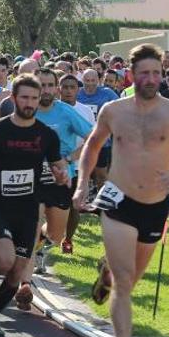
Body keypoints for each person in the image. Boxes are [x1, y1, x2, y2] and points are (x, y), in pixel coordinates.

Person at [72, 44, 169, 337]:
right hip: (118, 200)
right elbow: (92, 145)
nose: (151, 79)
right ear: (132, 75)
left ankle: (105, 273)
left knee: (129, 281)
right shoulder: (113, 110)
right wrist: (81, 184)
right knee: (125, 279)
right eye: (144, 73)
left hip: (155, 207)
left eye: (156, 73)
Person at [0, 74, 67, 337]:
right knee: (4, 260)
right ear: (13, 99)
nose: (30, 102)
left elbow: (58, 163)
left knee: (17, 271)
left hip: (28, 210)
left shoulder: (46, 135)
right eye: (24, 97)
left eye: (34, 98)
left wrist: (61, 173)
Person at [14, 68, 92, 308]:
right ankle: (25, 286)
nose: (46, 90)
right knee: (31, 226)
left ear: (56, 88)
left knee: (56, 235)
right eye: (42, 85)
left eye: (50, 85)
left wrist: (71, 158)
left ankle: (39, 244)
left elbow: (93, 135)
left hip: (60, 179)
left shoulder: (66, 112)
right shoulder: (27, 112)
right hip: (31, 180)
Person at [56, 74, 95, 254]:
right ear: (59, 89)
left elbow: (93, 138)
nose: (69, 91)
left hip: (78, 164)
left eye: (72, 87)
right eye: (65, 87)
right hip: (54, 165)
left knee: (75, 206)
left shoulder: (85, 110)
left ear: (78, 90)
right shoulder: (52, 109)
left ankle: (68, 239)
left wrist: (74, 157)